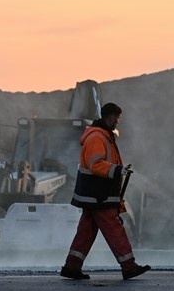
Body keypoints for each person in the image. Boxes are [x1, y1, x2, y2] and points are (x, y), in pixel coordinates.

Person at [60, 102, 150, 280]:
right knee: (114, 228)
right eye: (117, 118)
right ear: (110, 117)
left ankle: (72, 267)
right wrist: (118, 170)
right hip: (98, 195)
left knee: (86, 232)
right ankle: (129, 266)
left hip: (95, 195)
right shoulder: (97, 137)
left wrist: (118, 170)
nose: (118, 121)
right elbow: (95, 164)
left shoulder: (103, 136)